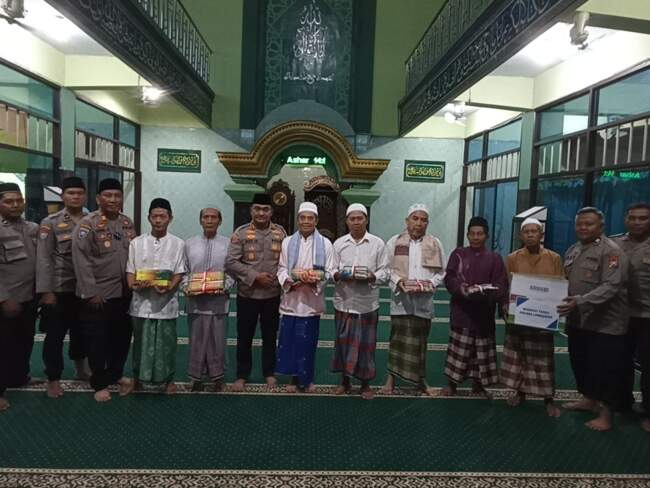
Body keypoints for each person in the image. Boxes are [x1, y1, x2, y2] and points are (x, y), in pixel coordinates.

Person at [558, 207, 628, 432]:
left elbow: (611, 286)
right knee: (581, 362)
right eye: (579, 224)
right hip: (579, 320)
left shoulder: (611, 251)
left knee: (605, 368)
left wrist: (580, 301)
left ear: (601, 226)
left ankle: (606, 415)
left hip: (605, 324)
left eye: (589, 224)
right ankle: (588, 399)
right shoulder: (573, 250)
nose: (583, 228)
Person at [72, 178, 136, 402]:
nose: (112, 199)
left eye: (117, 195)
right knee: (97, 341)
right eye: (107, 195)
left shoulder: (127, 223)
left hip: (124, 294)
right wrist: (91, 292)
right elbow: (81, 261)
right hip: (99, 295)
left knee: (121, 338)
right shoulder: (87, 225)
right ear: (98, 198)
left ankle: (115, 375)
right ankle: (99, 383)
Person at [499, 218, 564, 416]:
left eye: (534, 231)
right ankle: (520, 393)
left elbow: (560, 286)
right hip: (519, 317)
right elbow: (507, 286)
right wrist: (505, 306)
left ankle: (548, 399)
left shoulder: (554, 258)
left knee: (544, 360)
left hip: (543, 318)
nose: (530, 234)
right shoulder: (512, 258)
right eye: (526, 231)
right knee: (520, 357)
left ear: (541, 234)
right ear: (521, 235)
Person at [382, 204, 446, 396]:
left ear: (427, 223)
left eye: (423, 220)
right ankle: (390, 379)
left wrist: (430, 284)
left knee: (420, 344)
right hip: (401, 302)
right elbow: (386, 269)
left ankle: (421, 380)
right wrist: (399, 281)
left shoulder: (435, 243)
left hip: (423, 302)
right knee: (396, 342)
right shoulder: (394, 241)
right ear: (407, 220)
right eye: (415, 218)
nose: (419, 223)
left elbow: (442, 272)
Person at [442, 216, 508, 398]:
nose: (476, 237)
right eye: (472, 234)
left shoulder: (495, 258)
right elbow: (450, 278)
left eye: (480, 234)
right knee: (459, 351)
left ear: (486, 236)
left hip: (484, 313)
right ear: (467, 235)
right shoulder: (458, 254)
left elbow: (501, 284)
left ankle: (478, 385)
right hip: (462, 312)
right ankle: (452, 384)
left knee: (481, 352)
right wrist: (462, 289)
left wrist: (488, 293)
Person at [225, 193, 286, 391]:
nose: (261, 213)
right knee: (244, 336)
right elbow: (231, 261)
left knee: (270, 336)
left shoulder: (280, 233)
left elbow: (285, 261)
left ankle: (269, 373)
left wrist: (277, 278)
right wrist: (255, 276)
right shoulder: (241, 233)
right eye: (257, 209)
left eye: (265, 209)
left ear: (271, 212)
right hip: (248, 295)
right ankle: (242, 375)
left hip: (272, 294)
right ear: (251, 211)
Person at [37, 176, 90, 398]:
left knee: (82, 332)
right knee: (55, 336)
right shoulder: (50, 222)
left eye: (79, 193)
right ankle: (53, 378)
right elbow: (43, 258)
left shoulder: (94, 220)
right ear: (63, 196)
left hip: (84, 289)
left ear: (85, 195)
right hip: (59, 289)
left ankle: (81, 369)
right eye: (71, 193)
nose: (75, 197)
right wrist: (46, 291)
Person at [126, 198, 186, 394]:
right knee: (140, 343)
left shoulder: (178, 243)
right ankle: (137, 379)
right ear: (148, 218)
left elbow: (179, 272)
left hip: (166, 302)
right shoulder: (136, 243)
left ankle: (168, 381)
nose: (158, 220)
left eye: (162, 216)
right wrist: (134, 285)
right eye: (154, 216)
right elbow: (130, 271)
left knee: (166, 344)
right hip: (141, 303)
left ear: (170, 218)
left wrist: (169, 287)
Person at [331, 203, 389, 400]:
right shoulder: (339, 243)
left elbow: (385, 271)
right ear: (347, 221)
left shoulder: (377, 244)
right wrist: (338, 274)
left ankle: (365, 383)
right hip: (344, 302)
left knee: (366, 346)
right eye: (352, 219)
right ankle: (345, 382)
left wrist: (372, 277)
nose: (356, 222)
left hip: (367, 304)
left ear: (366, 220)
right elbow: (331, 269)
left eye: (360, 218)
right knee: (342, 344)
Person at [276, 201, 335, 392]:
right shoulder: (287, 242)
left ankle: (308, 379)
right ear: (298, 220)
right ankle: (294, 379)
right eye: (303, 218)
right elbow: (281, 268)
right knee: (290, 342)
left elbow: (330, 270)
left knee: (308, 343)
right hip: (292, 299)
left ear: (316, 221)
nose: (306, 221)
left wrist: (315, 279)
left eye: (310, 218)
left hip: (311, 301)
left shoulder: (325, 244)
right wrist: (291, 278)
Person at [183, 206, 235, 391]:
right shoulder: (189, 244)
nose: (210, 220)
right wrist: (186, 287)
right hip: (195, 302)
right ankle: (195, 378)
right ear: (200, 220)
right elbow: (184, 270)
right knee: (196, 340)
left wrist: (223, 286)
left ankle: (217, 377)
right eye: (206, 217)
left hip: (218, 301)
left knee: (217, 340)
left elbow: (232, 271)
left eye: (214, 217)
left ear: (220, 221)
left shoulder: (228, 244)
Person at [0, 182, 38, 411]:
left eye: (18, 200)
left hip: (29, 297)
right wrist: (4, 298)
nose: (15, 205)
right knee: (3, 345)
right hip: (7, 299)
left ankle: (19, 377)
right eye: (8, 201)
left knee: (24, 340)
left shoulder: (32, 227)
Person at [613, 203, 650, 432]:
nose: (637, 222)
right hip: (620, 314)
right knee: (619, 361)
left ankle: (648, 411)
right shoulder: (614, 244)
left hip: (648, 316)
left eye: (643, 218)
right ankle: (622, 403)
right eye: (633, 218)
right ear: (626, 220)